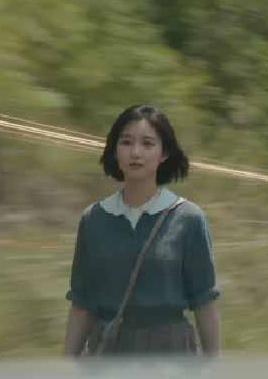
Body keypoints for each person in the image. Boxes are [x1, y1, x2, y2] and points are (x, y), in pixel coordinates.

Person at [63, 104, 221, 359]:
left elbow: (204, 303)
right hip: (108, 358)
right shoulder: (94, 219)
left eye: (147, 144)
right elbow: (82, 305)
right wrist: (66, 367)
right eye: (126, 142)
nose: (135, 152)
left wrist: (213, 369)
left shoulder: (189, 218)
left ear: (164, 153)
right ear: (115, 150)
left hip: (171, 359)